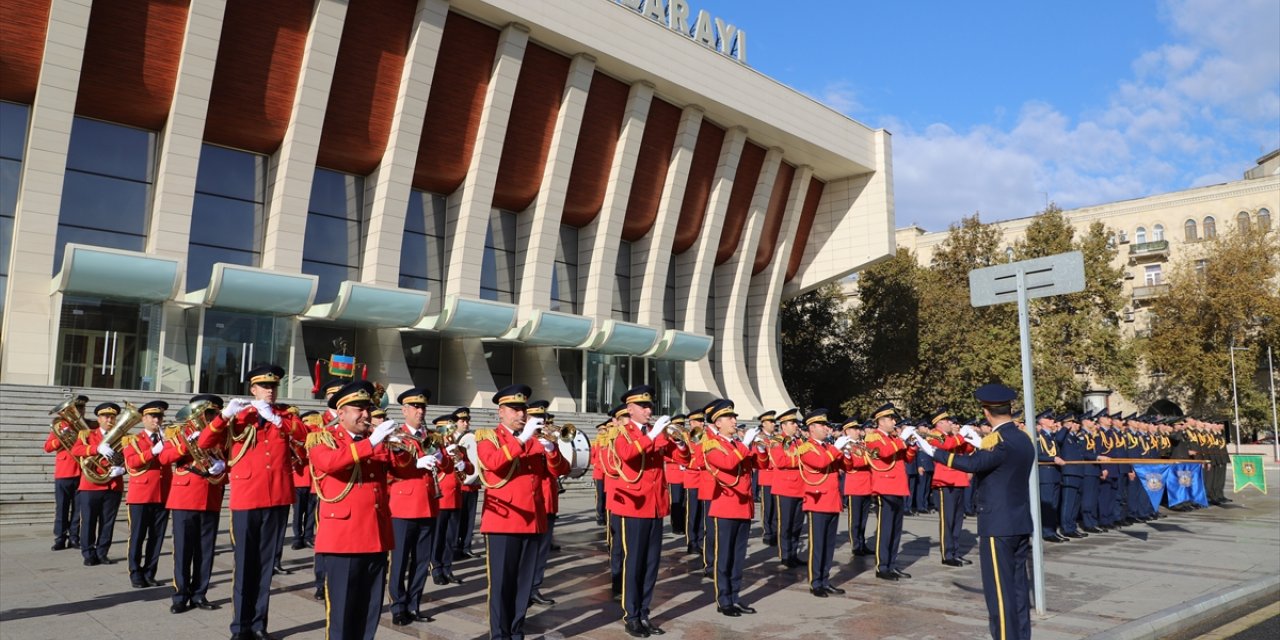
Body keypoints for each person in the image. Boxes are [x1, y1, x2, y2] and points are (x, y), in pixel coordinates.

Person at [907, 383, 1035, 640]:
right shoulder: (1023, 438)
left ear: (987, 412)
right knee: (1019, 589)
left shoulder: (1000, 441)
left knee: (999, 591)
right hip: (1019, 522)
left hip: (998, 525)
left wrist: (932, 451)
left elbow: (972, 463)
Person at [198, 364, 310, 640]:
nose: (270, 391)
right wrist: (224, 415)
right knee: (244, 564)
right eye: (264, 387)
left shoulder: (285, 416)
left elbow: (305, 437)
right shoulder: (239, 416)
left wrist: (274, 419)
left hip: (278, 497)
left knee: (265, 565)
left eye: (273, 387)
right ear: (253, 389)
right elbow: (204, 442)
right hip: (247, 498)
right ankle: (240, 626)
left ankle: (259, 624)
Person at [306, 380, 409, 640]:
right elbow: (330, 463)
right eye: (358, 408)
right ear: (341, 413)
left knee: (369, 611)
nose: (365, 414)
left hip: (375, 536)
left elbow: (403, 469)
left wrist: (401, 444)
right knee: (343, 614)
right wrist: (372, 442)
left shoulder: (375, 442)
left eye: (367, 408)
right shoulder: (323, 438)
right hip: (344, 540)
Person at [475, 384, 567, 640]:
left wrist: (551, 450)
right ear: (501, 412)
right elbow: (492, 463)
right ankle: (500, 635)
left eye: (523, 409)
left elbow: (561, 470)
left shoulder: (537, 439)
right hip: (503, 522)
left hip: (533, 520)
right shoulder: (487, 437)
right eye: (514, 410)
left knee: (523, 585)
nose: (521, 415)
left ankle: (516, 632)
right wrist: (522, 439)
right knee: (502, 585)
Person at [608, 385, 690, 638]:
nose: (648, 410)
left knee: (651, 564)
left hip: (655, 506)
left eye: (650, 406)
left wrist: (679, 442)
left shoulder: (657, 432)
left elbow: (683, 459)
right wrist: (652, 434)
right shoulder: (621, 432)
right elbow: (628, 455)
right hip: (633, 506)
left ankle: (644, 612)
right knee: (634, 564)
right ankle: (631, 616)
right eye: (643, 406)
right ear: (630, 409)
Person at [159, 394, 227, 614]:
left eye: (214, 413)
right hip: (184, 497)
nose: (211, 417)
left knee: (205, 551)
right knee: (183, 550)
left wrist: (222, 466)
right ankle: (180, 595)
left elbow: (229, 459)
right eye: (208, 413)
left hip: (210, 496)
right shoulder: (179, 432)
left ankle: (200, 594)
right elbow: (164, 458)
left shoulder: (222, 433)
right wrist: (188, 446)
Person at [703, 399, 767, 615]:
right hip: (725, 505)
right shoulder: (712, 444)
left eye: (734, 417)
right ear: (718, 423)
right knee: (724, 557)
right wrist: (745, 445)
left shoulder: (737, 444)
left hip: (743, 505)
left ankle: (735, 596)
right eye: (729, 417)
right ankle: (724, 600)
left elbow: (761, 464)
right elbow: (728, 463)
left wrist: (759, 448)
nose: (734, 420)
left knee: (739, 557)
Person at [387, 387, 439, 626]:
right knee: (399, 561)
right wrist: (416, 464)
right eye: (415, 407)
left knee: (421, 561)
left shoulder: (431, 435)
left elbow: (446, 467)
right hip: (403, 506)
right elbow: (392, 468)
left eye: (423, 407)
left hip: (428, 504)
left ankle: (414, 605)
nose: (420, 411)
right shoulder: (396, 436)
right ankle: (398, 607)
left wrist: (444, 456)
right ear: (404, 410)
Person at [797, 409, 852, 597]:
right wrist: (837, 448)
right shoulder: (806, 447)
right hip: (817, 501)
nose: (826, 428)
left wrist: (848, 454)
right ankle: (816, 582)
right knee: (817, 545)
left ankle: (825, 579)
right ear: (812, 428)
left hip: (832, 500)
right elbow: (820, 463)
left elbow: (846, 467)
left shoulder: (829, 448)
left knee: (829, 545)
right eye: (822, 425)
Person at [121, 400, 173, 588]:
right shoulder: (132, 440)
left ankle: (150, 572)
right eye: (152, 416)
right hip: (141, 495)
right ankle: (135, 572)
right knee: (137, 535)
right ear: (143, 418)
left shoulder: (166, 439)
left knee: (157, 536)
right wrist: (153, 451)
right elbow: (132, 462)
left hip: (163, 493)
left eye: (159, 416)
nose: (156, 420)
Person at [71, 402, 127, 566]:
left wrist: (122, 469)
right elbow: (75, 451)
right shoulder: (86, 434)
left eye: (112, 417)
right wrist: (96, 448)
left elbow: (128, 458)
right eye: (106, 416)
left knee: (107, 522)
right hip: (91, 485)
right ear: (99, 418)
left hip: (113, 484)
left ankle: (102, 553)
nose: (109, 419)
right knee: (88, 521)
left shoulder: (123, 437)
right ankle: (88, 553)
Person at [863, 402, 914, 580]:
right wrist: (901, 440)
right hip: (883, 487)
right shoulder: (873, 438)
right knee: (886, 529)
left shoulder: (894, 439)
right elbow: (883, 453)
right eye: (891, 419)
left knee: (895, 530)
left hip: (898, 486)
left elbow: (906, 458)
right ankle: (882, 566)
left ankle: (892, 564)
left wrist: (911, 445)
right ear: (881, 421)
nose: (894, 422)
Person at [526, 400, 570, 607]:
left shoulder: (548, 440)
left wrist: (552, 449)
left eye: (543, 420)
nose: (542, 424)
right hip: (529, 504)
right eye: (537, 420)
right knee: (527, 551)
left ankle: (534, 587)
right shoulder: (523, 440)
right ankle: (522, 589)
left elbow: (561, 469)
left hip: (548, 501)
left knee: (542, 551)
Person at [926, 408, 978, 566]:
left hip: (958, 480)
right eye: (948, 421)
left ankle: (955, 551)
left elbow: (967, 449)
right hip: (944, 481)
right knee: (947, 520)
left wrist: (969, 437)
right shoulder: (934, 434)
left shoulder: (953, 436)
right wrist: (961, 436)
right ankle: (947, 554)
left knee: (957, 520)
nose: (951, 423)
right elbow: (946, 446)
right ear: (939, 423)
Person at [44, 394, 87, 551]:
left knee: (78, 509)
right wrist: (61, 438)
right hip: (64, 472)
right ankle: (60, 537)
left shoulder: (85, 427)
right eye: (77, 408)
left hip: (82, 472)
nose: (80, 411)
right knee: (62, 507)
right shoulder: (60, 426)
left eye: (82, 408)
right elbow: (48, 447)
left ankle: (74, 537)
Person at [769, 408, 805, 568]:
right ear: (783, 425)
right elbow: (780, 461)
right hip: (785, 487)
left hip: (799, 486)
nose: (796, 425)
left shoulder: (799, 441)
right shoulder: (777, 440)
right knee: (786, 524)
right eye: (792, 423)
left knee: (797, 524)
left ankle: (793, 553)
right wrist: (800, 461)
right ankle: (785, 554)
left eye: (796, 422)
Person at [841, 418, 874, 557]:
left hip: (867, 485)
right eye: (854, 429)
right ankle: (856, 545)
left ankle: (862, 542)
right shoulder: (847, 446)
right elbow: (856, 463)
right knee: (855, 519)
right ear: (847, 431)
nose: (857, 431)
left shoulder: (862, 444)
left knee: (864, 518)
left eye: (857, 429)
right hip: (855, 486)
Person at [453, 407, 482, 558]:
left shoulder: (473, 437)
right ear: (455, 422)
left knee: (470, 518)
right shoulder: (450, 438)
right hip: (458, 485)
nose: (466, 423)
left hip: (472, 484)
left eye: (467, 420)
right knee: (458, 518)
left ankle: (466, 546)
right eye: (462, 421)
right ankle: (455, 547)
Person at [755, 411, 778, 546]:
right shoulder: (759, 438)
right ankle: (768, 532)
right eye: (771, 422)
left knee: (776, 508)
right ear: (764, 423)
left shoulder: (776, 438)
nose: (774, 424)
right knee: (768, 507)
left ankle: (775, 531)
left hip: (776, 477)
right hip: (767, 476)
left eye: (774, 422)